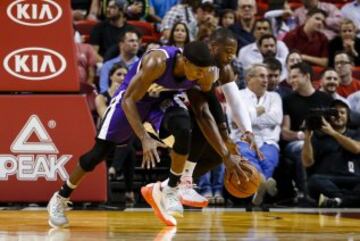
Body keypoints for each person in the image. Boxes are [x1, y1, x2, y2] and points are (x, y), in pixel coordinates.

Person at [47, 41, 219, 228]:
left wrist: (226, 149)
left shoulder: (205, 74)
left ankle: (170, 189)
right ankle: (60, 197)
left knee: (185, 130)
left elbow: (210, 108)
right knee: (98, 154)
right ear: (184, 61)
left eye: (205, 71)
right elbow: (128, 99)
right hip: (131, 101)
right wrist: (144, 137)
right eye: (198, 71)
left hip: (161, 103)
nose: (201, 76)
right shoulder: (157, 62)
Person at [302, 99, 360, 207]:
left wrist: (333, 133)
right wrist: (307, 138)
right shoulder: (318, 136)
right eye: (334, 113)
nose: (338, 116)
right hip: (327, 180)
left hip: (353, 179)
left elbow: (357, 148)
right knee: (314, 180)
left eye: (342, 112)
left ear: (348, 117)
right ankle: (344, 200)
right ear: (328, 117)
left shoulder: (356, 133)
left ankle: (337, 200)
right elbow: (307, 162)